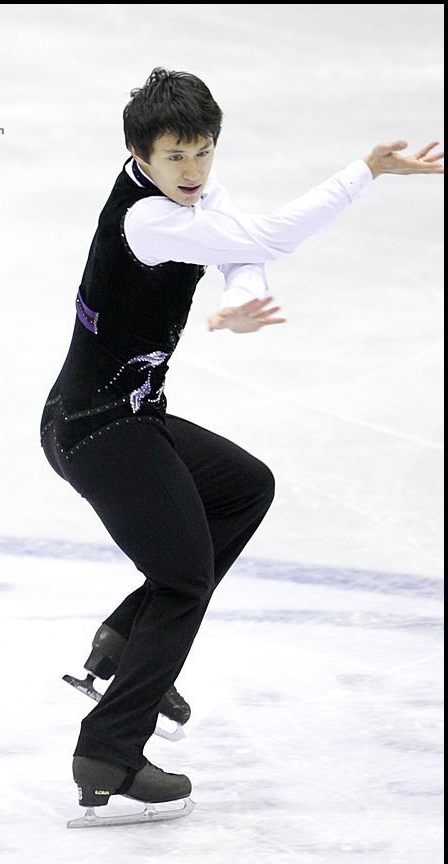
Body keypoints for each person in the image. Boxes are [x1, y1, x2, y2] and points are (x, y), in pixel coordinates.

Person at [40, 67, 443, 822]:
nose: (192, 173)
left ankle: (127, 643)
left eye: (202, 153)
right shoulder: (148, 217)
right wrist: (363, 172)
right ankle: (109, 751)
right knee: (183, 579)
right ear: (139, 155)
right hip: (95, 431)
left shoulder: (186, 199)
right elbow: (264, 239)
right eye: (175, 158)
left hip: (124, 416)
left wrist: (234, 301)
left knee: (241, 487)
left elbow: (238, 254)